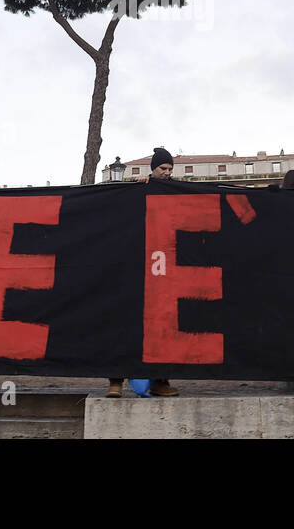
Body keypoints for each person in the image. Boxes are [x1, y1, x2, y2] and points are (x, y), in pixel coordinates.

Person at [109, 148, 178, 399]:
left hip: (162, 269)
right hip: (132, 265)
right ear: (153, 169)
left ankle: (160, 381)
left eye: (170, 169)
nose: (167, 173)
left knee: (160, 327)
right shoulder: (141, 188)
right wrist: (139, 187)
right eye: (163, 169)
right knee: (123, 323)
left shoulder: (176, 189)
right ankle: (114, 380)